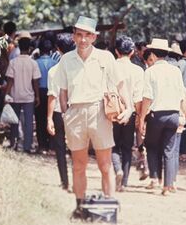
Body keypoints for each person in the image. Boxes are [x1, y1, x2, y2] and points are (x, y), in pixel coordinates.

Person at [53, 16, 132, 218]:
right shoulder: (66, 60)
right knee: (79, 165)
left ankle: (110, 209)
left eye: (87, 35)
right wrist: (66, 113)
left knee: (105, 165)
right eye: (79, 35)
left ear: (94, 37)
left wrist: (129, 107)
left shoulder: (105, 58)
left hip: (99, 113)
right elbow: (62, 91)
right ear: (73, 37)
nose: (83, 40)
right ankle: (79, 208)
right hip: (75, 113)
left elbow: (121, 84)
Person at [138, 38, 186, 196]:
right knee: (169, 150)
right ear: (166, 53)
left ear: (153, 53)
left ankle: (155, 178)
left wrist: (141, 119)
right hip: (173, 114)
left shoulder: (150, 71)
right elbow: (181, 94)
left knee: (151, 146)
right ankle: (168, 185)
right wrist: (182, 113)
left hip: (156, 115)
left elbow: (147, 97)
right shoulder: (176, 71)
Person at [112, 36, 144, 192]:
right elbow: (139, 97)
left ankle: (117, 169)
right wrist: (139, 116)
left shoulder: (109, 67)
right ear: (132, 52)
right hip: (130, 112)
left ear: (116, 51)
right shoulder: (138, 71)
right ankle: (124, 182)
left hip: (111, 112)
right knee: (126, 147)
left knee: (112, 145)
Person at [46, 33, 76, 191]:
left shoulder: (54, 71)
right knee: (76, 148)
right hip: (76, 112)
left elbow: (52, 96)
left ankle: (65, 181)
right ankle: (77, 179)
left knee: (60, 147)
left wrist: (49, 118)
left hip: (59, 113)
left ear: (58, 49)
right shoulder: (78, 69)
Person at [5, 35, 41, 153]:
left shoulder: (13, 62)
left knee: (14, 121)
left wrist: (7, 94)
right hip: (29, 97)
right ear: (29, 48)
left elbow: (10, 80)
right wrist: (37, 96)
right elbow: (35, 81)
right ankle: (27, 146)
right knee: (29, 122)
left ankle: (14, 143)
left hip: (15, 96)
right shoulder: (33, 63)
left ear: (19, 47)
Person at [35, 37, 58, 153]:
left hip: (39, 91)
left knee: (40, 119)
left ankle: (42, 145)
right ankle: (52, 145)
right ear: (51, 50)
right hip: (52, 93)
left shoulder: (35, 62)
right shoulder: (55, 63)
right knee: (52, 118)